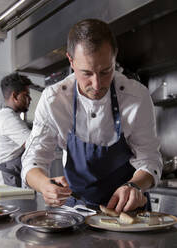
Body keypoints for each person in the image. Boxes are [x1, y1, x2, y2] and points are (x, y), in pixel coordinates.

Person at [21, 19, 162, 212]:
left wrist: (135, 186)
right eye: (86, 73)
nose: (97, 85)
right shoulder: (54, 100)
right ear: (71, 61)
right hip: (76, 209)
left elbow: (150, 159)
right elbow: (33, 160)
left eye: (106, 71)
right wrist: (45, 185)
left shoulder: (136, 97)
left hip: (127, 211)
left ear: (114, 57)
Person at [0, 73, 33, 187]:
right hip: (6, 180)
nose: (30, 99)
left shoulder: (7, 116)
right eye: (26, 95)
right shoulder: (8, 119)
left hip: (10, 176)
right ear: (15, 96)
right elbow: (33, 143)